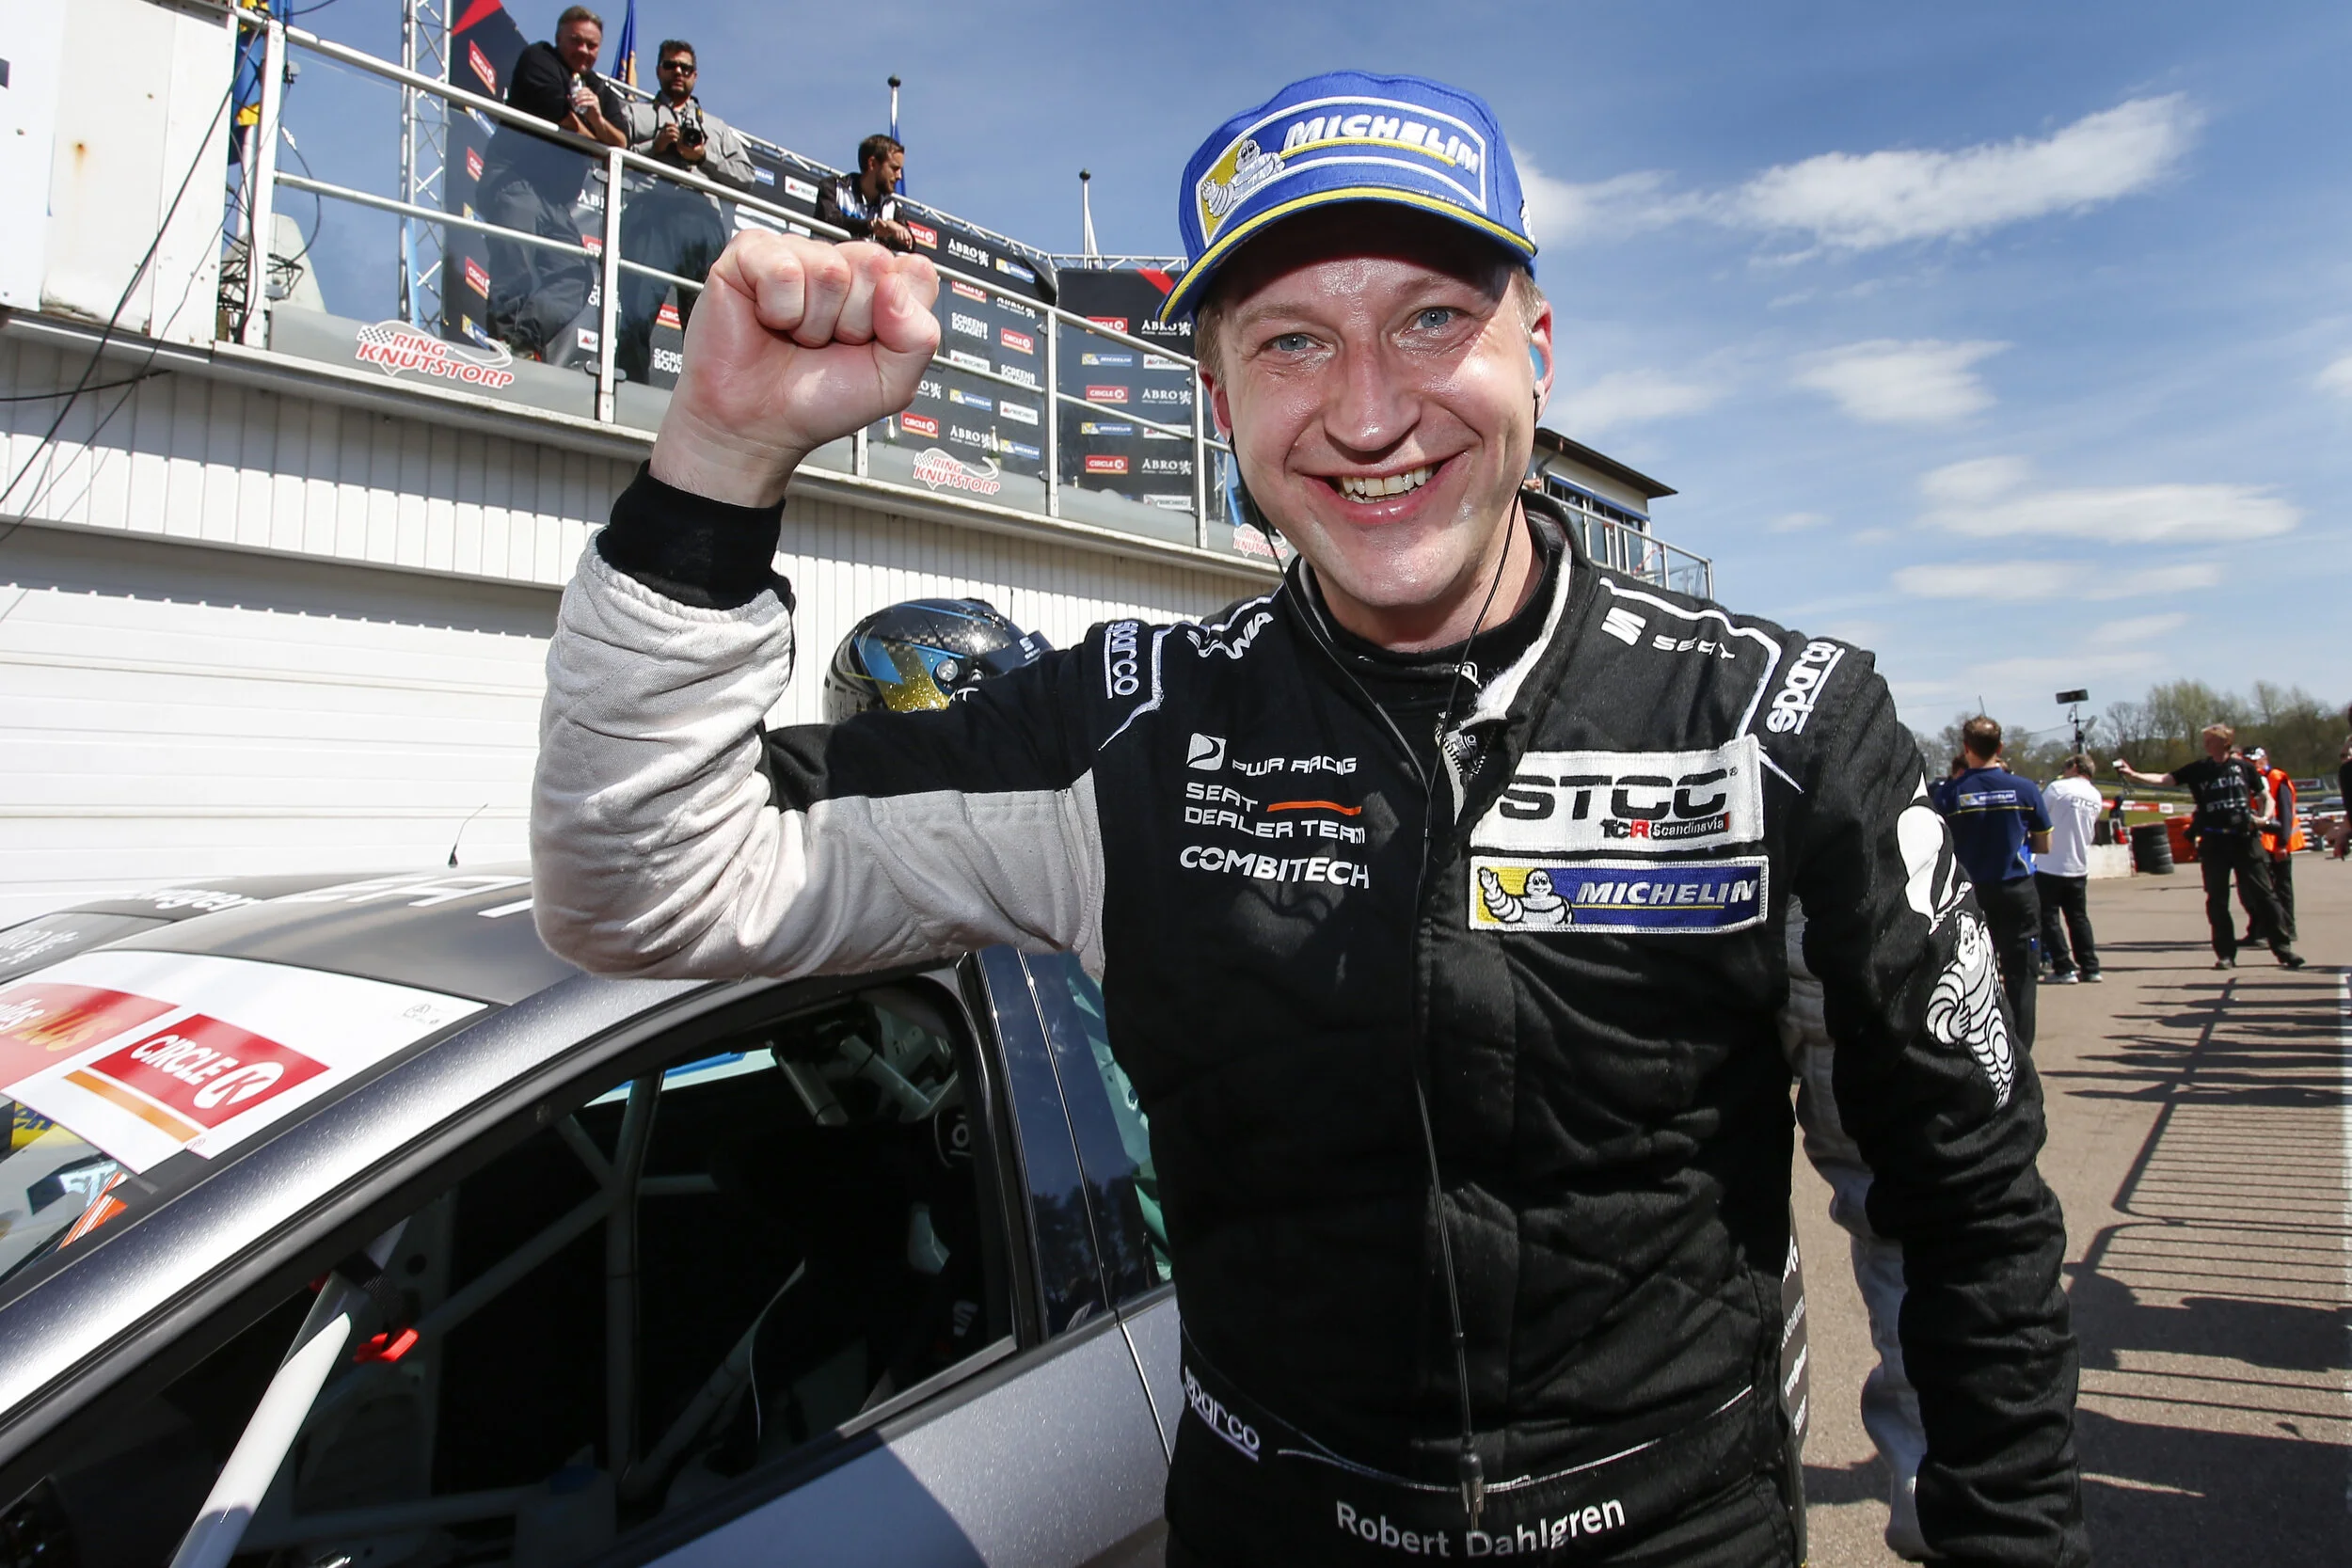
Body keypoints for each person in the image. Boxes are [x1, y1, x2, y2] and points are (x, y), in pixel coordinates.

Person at [532, 71, 2085, 1566]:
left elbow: (1958, 1201)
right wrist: (720, 457)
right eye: (1291, 342)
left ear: (1538, 351)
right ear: (1219, 401)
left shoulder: (1773, 724)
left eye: (1431, 319)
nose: (1369, 410)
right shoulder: (1127, 732)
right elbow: (643, 882)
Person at [477, 6, 628, 356]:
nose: (584, 50)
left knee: (576, 276)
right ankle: (502, 344)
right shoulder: (539, 58)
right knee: (515, 263)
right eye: (576, 40)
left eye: (592, 45)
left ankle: (523, 344)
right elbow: (567, 122)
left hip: (556, 203)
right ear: (559, 38)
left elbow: (621, 144)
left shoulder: (598, 89)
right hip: (515, 181)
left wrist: (596, 118)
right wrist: (597, 138)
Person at [616, 39, 756, 385]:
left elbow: (746, 176)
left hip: (701, 218)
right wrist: (655, 146)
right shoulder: (635, 113)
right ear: (658, 70)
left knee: (705, 321)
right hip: (649, 212)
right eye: (670, 65)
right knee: (637, 308)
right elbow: (610, 154)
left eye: (686, 67)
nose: (678, 72)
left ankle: (703, 399)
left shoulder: (716, 127)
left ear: (695, 75)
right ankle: (630, 389)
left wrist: (703, 156)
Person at [2117, 725, 2304, 969]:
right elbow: (2165, 779)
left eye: (2210, 740)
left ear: (2224, 742)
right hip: (2214, 841)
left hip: (2245, 839)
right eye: (2205, 740)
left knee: (2265, 895)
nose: (2205, 744)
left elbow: (2264, 796)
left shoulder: (2243, 768)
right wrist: (2133, 774)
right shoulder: (2199, 769)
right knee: (2217, 899)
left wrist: (2265, 818)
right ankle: (2225, 954)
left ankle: (2283, 948)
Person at [1932, 718, 2051, 1047]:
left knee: (1969, 977)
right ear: (2000, 747)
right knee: (2022, 975)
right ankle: (2021, 1051)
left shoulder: (1948, 794)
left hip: (1970, 894)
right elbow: (2044, 844)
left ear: (1965, 748)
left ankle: (1977, 1049)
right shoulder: (2025, 789)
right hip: (2017, 890)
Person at [2036, 755, 2104, 984]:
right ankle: (2090, 966)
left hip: (2050, 863)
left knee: (2048, 918)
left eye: (2065, 767)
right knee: (2078, 918)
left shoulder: (2058, 788)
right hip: (2079, 863)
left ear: (2074, 767)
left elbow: (2038, 816)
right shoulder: (2095, 795)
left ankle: (2063, 966)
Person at [2238, 747, 2298, 945]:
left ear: (2264, 759)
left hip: (2278, 841)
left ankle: (2287, 929)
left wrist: (2282, 843)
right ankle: (2259, 930)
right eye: (2247, 761)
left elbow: (2286, 812)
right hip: (2260, 841)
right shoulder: (2248, 779)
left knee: (2281, 889)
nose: (2251, 764)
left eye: (2254, 760)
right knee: (2257, 890)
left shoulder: (2276, 778)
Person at [816, 135, 914, 251]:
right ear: (872, 164)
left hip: (870, 262)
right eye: (894, 168)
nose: (899, 176)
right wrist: (871, 226)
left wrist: (891, 232)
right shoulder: (834, 187)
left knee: (919, 261)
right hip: (832, 258)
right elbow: (828, 219)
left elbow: (910, 245)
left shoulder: (891, 206)